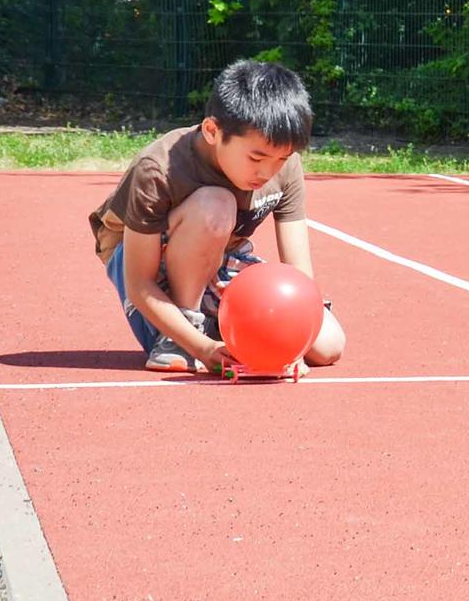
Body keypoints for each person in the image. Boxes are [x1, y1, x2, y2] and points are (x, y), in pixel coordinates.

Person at [90, 59, 346, 373]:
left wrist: (292, 341)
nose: (267, 172)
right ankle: (183, 332)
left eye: (282, 158)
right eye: (256, 157)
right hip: (143, 261)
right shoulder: (157, 169)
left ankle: (221, 327)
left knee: (328, 344)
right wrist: (201, 347)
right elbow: (139, 283)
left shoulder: (285, 166)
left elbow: (299, 275)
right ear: (213, 131)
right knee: (217, 203)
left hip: (219, 254)